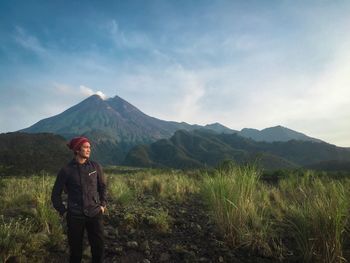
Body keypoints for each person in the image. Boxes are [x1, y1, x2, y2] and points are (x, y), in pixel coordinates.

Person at [51, 136, 107, 263]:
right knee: (75, 252)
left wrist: (102, 205)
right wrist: (64, 211)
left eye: (89, 147)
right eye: (85, 147)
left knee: (98, 248)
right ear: (77, 150)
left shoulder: (95, 167)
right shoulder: (66, 170)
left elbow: (102, 186)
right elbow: (55, 194)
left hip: (95, 213)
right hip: (75, 216)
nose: (89, 150)